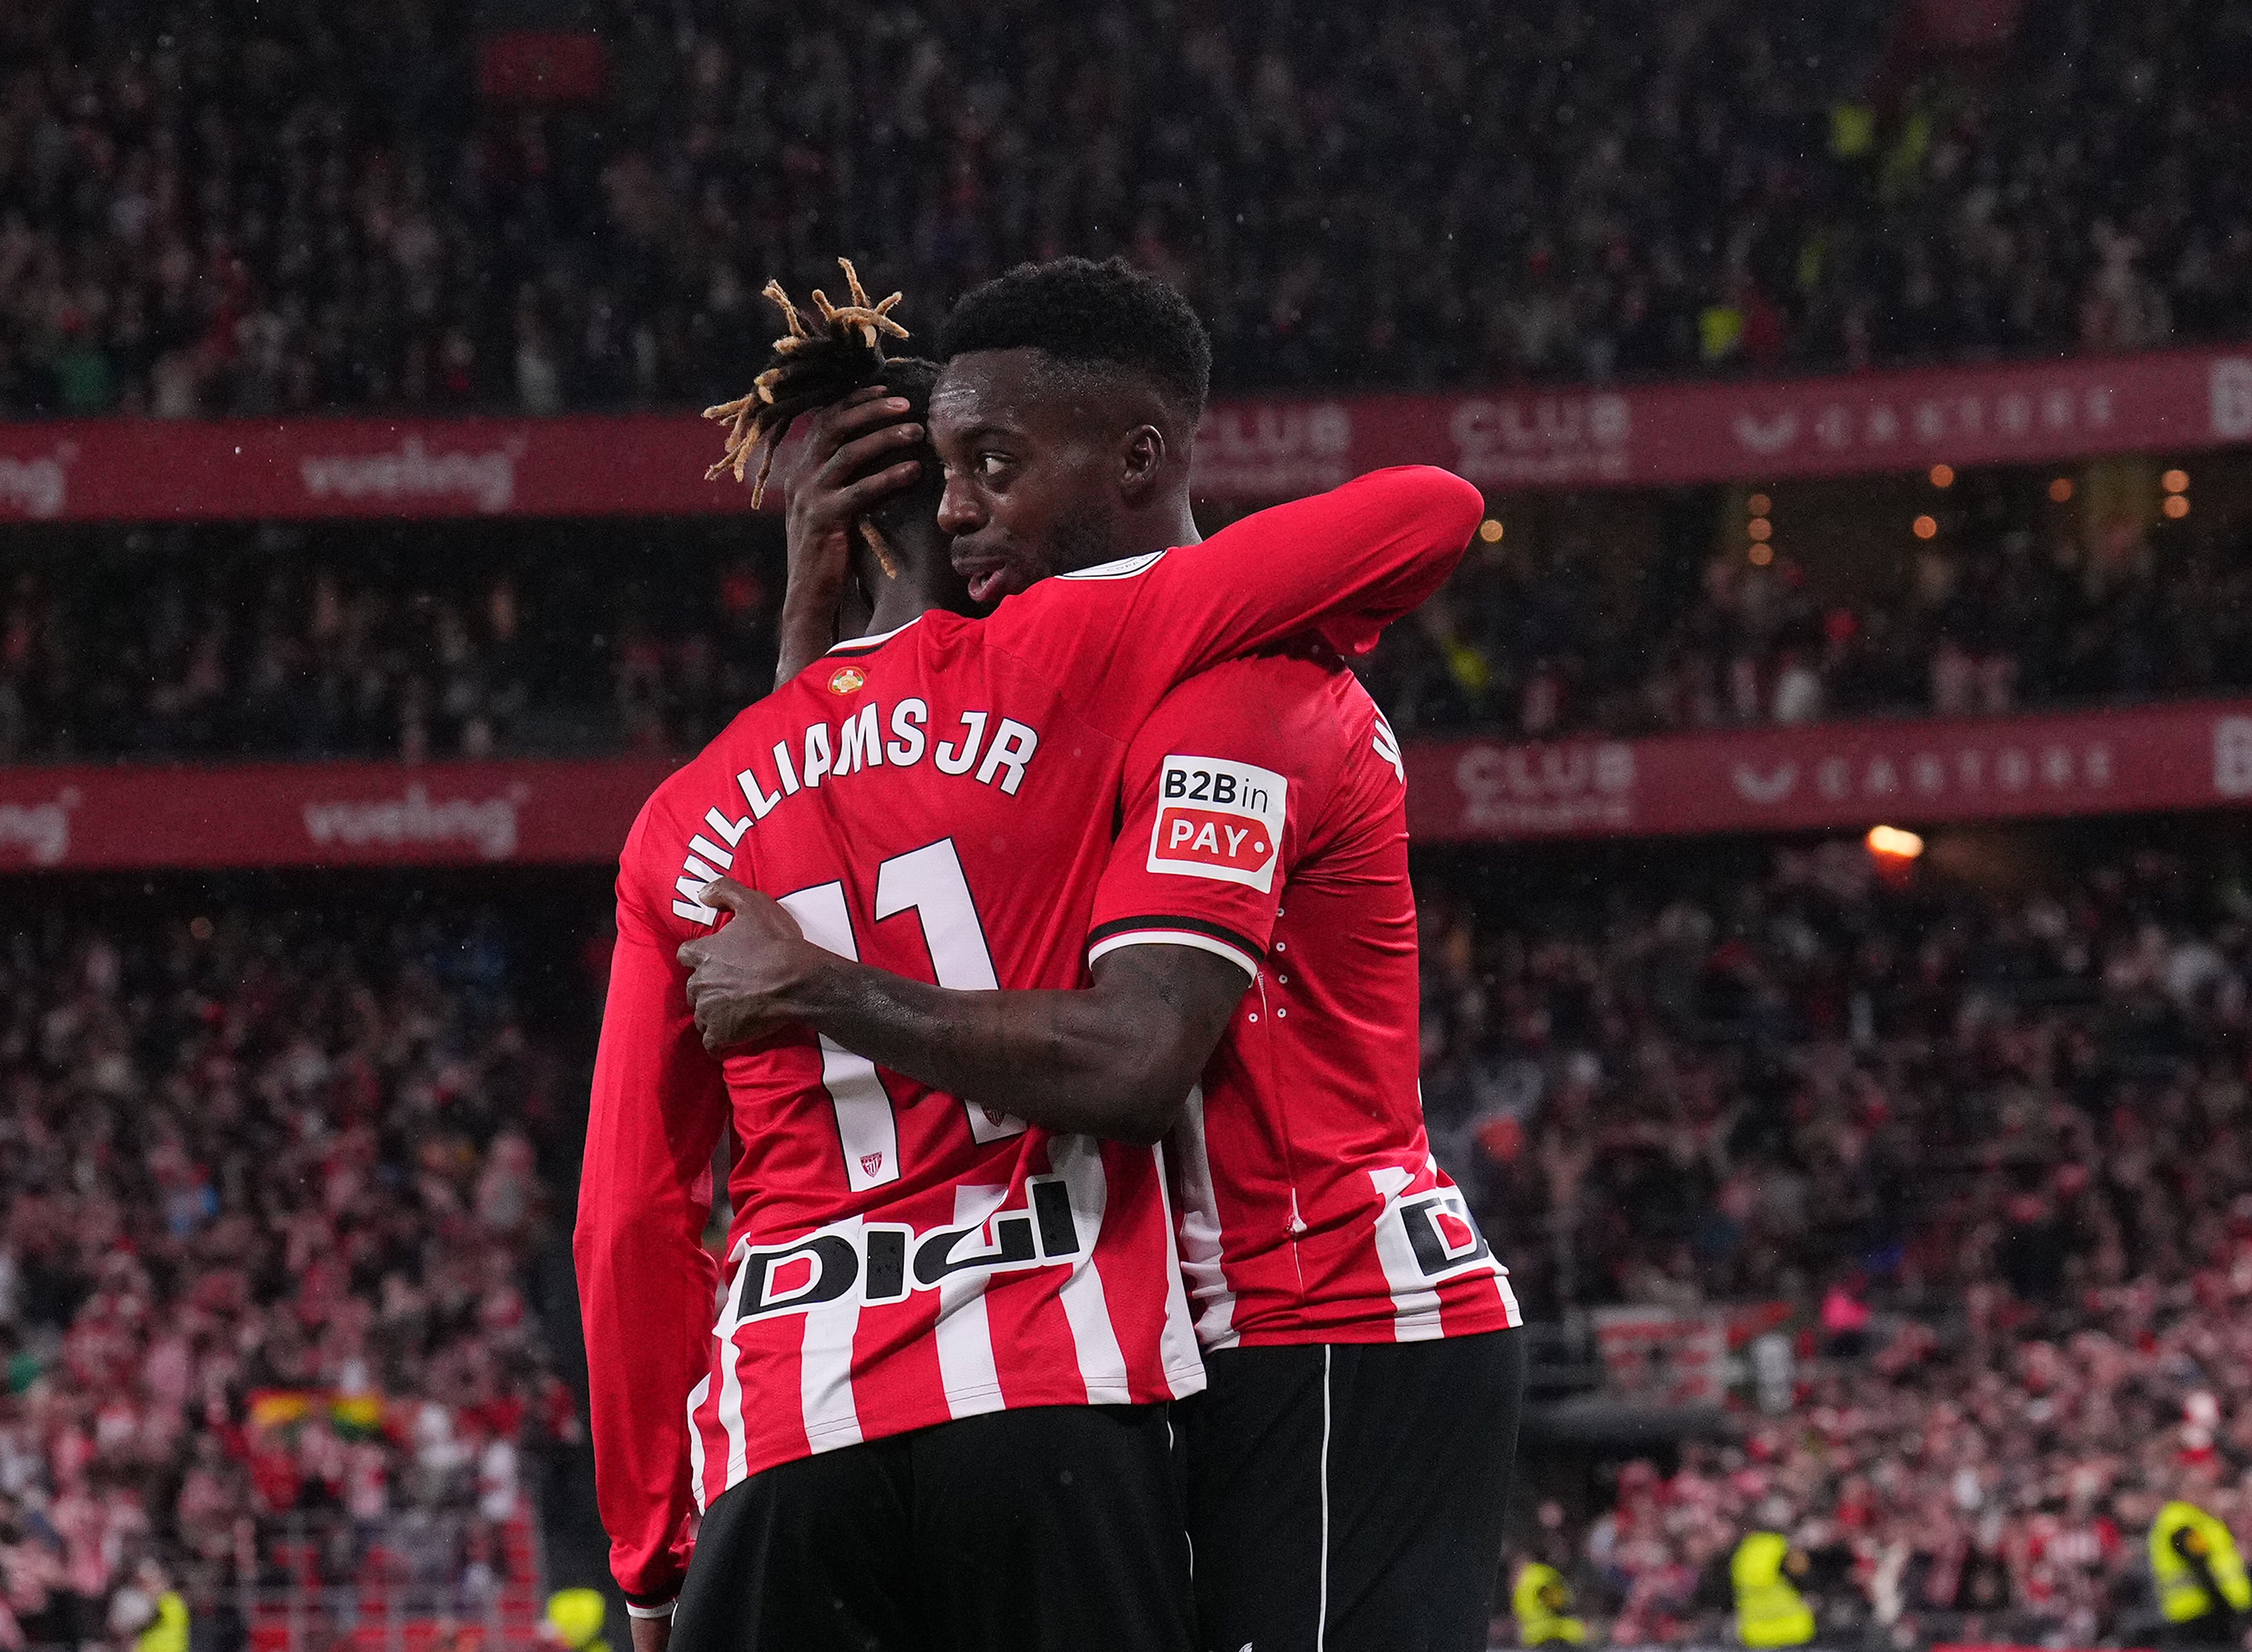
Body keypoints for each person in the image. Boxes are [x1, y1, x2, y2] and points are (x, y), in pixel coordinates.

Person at [575, 258, 1482, 1652]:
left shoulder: (687, 813)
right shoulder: (1078, 672)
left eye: (987, 465)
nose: (964, 504)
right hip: (1061, 1400)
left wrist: (649, 1552)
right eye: (951, 471)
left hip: (790, 1422)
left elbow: (630, 1218)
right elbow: (1431, 509)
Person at [2151, 1492, 2251, 1646]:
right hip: (2199, 1613)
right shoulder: (2181, 1522)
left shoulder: (2202, 1520)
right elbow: (2201, 1565)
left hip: (2214, 1610)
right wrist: (2226, 1608)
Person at [1731, 1528, 1815, 1649]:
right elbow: (1803, 1575)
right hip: (1792, 1628)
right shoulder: (1783, 1550)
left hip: (1754, 1632)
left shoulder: (1743, 1554)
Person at [1512, 1555, 1588, 1647]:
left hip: (1531, 1635)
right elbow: (1560, 1600)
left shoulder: (1522, 1582)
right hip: (1555, 1632)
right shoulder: (1545, 1574)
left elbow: (1519, 1611)